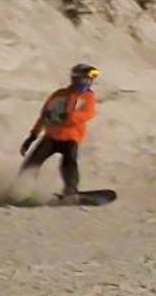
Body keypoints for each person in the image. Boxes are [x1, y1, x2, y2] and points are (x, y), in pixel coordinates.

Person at [16, 63, 99, 199]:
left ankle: (70, 189)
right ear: (78, 79)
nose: (89, 82)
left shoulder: (88, 97)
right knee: (32, 162)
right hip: (51, 137)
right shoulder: (59, 95)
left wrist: (70, 116)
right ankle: (21, 187)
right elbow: (44, 116)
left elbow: (88, 114)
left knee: (69, 163)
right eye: (87, 78)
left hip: (71, 138)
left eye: (90, 79)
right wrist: (32, 136)